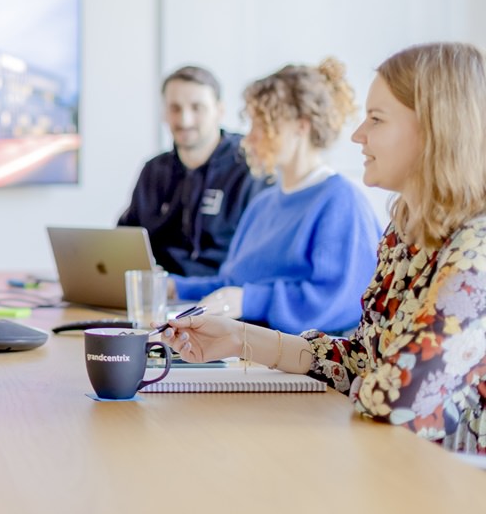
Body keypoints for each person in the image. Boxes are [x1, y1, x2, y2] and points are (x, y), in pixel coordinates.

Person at [165, 42, 486, 454]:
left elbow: (394, 398)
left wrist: (367, 372)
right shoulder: (403, 234)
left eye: (376, 119)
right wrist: (236, 338)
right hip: (393, 461)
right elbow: (361, 361)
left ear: (436, 127)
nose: (357, 134)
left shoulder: (475, 254)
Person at [167, 58, 380, 334]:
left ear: (301, 126)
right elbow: (232, 287)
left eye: (261, 125)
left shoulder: (340, 202)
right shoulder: (263, 205)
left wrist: (250, 301)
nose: (248, 138)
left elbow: (336, 302)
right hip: (244, 348)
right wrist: (173, 287)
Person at [119, 66, 268, 277]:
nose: (184, 120)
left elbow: (261, 255)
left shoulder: (250, 167)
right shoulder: (153, 170)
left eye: (197, 108)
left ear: (219, 110)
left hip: (221, 297)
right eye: (175, 108)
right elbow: (125, 241)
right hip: (161, 296)